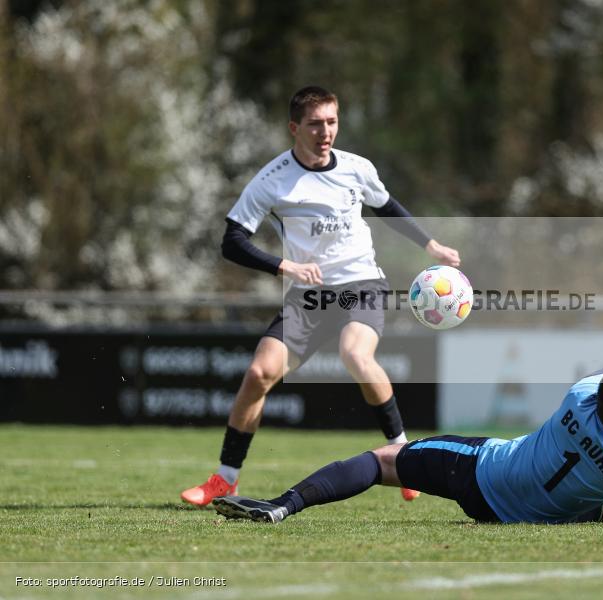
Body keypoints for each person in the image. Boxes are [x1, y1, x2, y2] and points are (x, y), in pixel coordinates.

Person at [181, 86, 460, 506]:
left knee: (356, 355)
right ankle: (225, 478)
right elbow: (232, 241)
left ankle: (403, 456)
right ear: (295, 128)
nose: (325, 131)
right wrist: (284, 266)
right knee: (258, 375)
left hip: (361, 283)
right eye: (315, 123)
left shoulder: (355, 168)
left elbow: (387, 207)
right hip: (307, 298)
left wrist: (431, 245)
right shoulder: (272, 181)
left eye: (331, 121)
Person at [211, 361, 603, 524]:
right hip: (541, 512)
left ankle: (281, 505)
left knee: (383, 461)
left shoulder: (576, 397)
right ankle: (574, 508)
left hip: (484, 478)